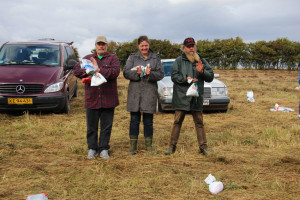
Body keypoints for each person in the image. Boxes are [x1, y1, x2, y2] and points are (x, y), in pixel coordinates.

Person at [164, 37, 214, 156]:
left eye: (193, 45)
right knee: (177, 121)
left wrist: (202, 72)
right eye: (189, 46)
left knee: (199, 122)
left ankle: (204, 148)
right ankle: (171, 147)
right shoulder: (178, 61)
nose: (191, 48)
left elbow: (210, 76)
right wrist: (185, 79)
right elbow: (174, 76)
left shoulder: (201, 60)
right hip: (182, 96)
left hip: (196, 97)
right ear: (184, 48)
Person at [74, 36, 120, 159]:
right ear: (95, 45)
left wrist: (99, 69)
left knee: (106, 126)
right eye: (99, 44)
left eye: (103, 44)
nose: (101, 46)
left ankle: (104, 149)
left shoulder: (113, 58)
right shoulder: (87, 58)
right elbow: (77, 71)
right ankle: (92, 149)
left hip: (108, 98)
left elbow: (115, 72)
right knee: (91, 126)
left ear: (107, 46)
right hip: (92, 98)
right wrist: (88, 71)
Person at [123, 35, 164, 155]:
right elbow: (126, 73)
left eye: (146, 45)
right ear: (138, 46)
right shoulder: (132, 57)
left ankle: (149, 146)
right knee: (134, 120)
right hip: (135, 93)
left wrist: (150, 74)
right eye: (142, 46)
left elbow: (161, 74)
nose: (144, 47)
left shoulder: (155, 58)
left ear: (149, 46)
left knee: (148, 121)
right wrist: (136, 73)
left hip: (149, 93)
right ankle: (133, 147)